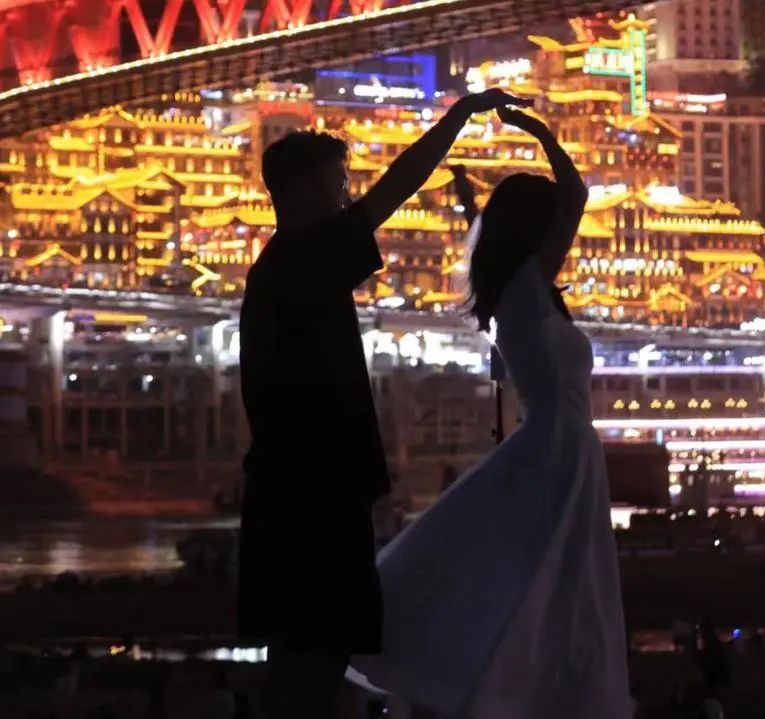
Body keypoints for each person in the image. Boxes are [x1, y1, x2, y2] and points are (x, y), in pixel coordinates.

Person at [237, 88, 530, 719]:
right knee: (317, 659)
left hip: (290, 491)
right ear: (301, 191)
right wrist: (458, 115)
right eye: (336, 185)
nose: (346, 197)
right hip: (314, 494)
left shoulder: (277, 268)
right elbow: (396, 188)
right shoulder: (305, 260)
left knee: (297, 660)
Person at [351, 106, 629, 717]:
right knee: (558, 581)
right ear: (535, 229)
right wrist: (537, 130)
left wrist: (471, 201)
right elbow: (576, 193)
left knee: (538, 578)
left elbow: (502, 221)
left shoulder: (518, 290)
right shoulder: (527, 286)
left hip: (557, 447)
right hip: (559, 450)